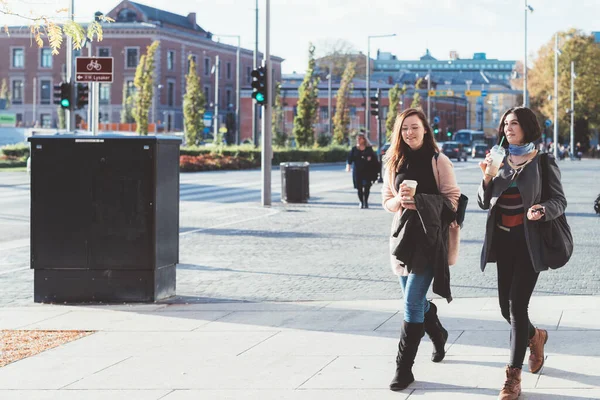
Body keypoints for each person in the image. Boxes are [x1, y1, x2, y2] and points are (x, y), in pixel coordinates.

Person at [477, 106, 567, 400]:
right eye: (505, 124)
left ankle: (512, 379)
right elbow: (483, 201)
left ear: (527, 127)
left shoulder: (542, 161)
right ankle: (536, 336)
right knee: (505, 308)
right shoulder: (499, 159)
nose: (508, 128)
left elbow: (559, 201)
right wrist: (487, 178)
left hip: (530, 243)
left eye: (514, 124)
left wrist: (543, 209)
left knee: (517, 308)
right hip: (503, 243)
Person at [381, 108, 460, 391]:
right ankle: (437, 332)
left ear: (425, 129)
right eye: (404, 128)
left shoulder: (439, 161)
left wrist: (422, 202)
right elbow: (387, 200)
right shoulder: (392, 162)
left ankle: (404, 369)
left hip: (430, 239)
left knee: (411, 302)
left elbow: (453, 200)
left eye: (414, 127)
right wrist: (400, 202)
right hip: (403, 239)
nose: (409, 133)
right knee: (413, 300)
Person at [346, 132, 377, 208]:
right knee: (359, 188)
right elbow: (350, 158)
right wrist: (348, 166)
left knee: (367, 187)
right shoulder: (354, 149)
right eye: (358, 139)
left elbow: (375, 159)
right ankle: (361, 202)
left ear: (364, 139)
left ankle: (366, 202)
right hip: (357, 172)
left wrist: (370, 160)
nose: (358, 140)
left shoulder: (369, 149)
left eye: (360, 138)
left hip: (367, 171)